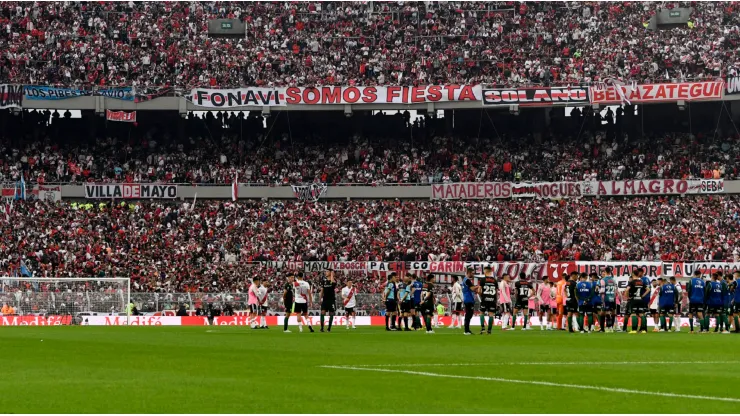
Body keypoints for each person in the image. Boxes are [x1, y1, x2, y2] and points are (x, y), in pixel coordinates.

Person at [478, 266, 497, 335]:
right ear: (491, 272)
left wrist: (482, 295)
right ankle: (489, 331)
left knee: (482, 313)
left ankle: (483, 328)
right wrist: (496, 300)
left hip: (484, 299)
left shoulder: (482, 280)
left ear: (485, 272)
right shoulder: (495, 280)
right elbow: (496, 292)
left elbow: (479, 290)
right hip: (492, 299)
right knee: (491, 315)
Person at [461, 268, 476, 335]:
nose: (473, 274)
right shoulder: (467, 280)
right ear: (469, 273)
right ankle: (466, 330)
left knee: (469, 314)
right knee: (468, 315)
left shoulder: (465, 280)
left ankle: (467, 329)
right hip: (468, 299)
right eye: (472, 273)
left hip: (467, 299)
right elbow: (472, 288)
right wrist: (479, 286)